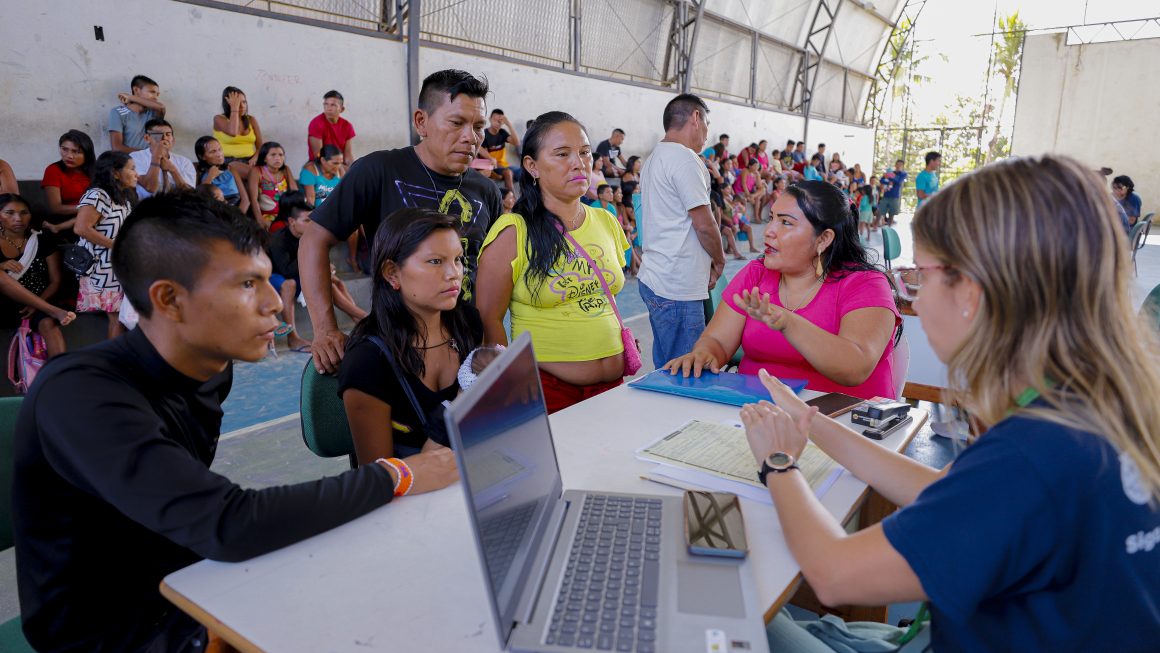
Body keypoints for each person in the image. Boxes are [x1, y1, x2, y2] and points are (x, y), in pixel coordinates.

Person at [11, 190, 457, 653]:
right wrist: (399, 474)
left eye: (266, 280)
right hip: (112, 632)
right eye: (246, 285)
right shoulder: (82, 394)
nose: (271, 303)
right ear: (170, 299)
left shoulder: (211, 369)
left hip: (195, 581)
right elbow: (228, 523)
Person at [750, 155, 1160, 652]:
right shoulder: (1097, 408)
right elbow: (947, 490)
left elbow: (835, 576)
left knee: (747, 615)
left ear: (971, 291)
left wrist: (779, 465)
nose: (915, 302)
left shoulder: (1036, 453)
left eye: (920, 277)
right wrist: (812, 423)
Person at [302, 69, 502, 374]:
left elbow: (491, 272)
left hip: (467, 349)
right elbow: (314, 238)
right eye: (457, 122)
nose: (470, 137)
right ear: (421, 122)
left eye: (478, 126)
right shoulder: (379, 170)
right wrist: (324, 328)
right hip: (397, 349)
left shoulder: (486, 190)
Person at [663, 180, 899, 400]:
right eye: (772, 219)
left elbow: (855, 367)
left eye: (785, 222)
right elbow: (717, 340)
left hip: (845, 424)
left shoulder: (865, 284)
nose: (769, 231)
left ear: (823, 239)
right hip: (757, 415)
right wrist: (704, 354)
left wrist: (788, 322)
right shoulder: (756, 274)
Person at [476, 111, 632, 413]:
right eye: (562, 154)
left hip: (614, 386)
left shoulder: (606, 220)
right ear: (532, 166)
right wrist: (510, 386)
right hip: (548, 393)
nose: (579, 163)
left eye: (585, 153)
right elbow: (489, 321)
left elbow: (602, 292)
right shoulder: (514, 232)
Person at [340, 207, 482, 461]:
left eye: (458, 259)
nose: (454, 273)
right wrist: (459, 406)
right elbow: (380, 479)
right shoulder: (367, 362)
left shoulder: (467, 323)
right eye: (436, 261)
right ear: (392, 273)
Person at [637, 93, 724, 367]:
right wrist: (719, 259)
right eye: (707, 125)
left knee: (668, 363)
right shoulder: (685, 159)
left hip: (658, 274)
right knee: (686, 370)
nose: (707, 135)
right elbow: (704, 223)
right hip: (677, 283)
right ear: (696, 118)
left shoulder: (654, 158)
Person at [0, 193, 77, 357]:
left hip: (40, 300)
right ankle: (53, 311)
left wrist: (37, 304)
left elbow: (56, 281)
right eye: (10, 213)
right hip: (4, 305)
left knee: (48, 323)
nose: (18, 218)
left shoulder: (41, 239)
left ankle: (60, 373)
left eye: (23, 213)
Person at [75, 151, 138, 340]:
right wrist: (117, 246)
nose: (137, 174)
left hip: (116, 265)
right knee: (117, 317)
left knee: (122, 316)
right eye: (132, 169)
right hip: (101, 267)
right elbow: (81, 228)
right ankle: (113, 364)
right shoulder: (97, 195)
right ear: (115, 173)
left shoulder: (122, 196)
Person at [40, 130, 96, 239]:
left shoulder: (96, 171)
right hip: (65, 223)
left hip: (94, 218)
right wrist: (86, 208)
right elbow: (56, 208)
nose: (69, 156)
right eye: (64, 149)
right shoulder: (53, 170)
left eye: (76, 151)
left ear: (87, 154)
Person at [130, 119, 195, 198]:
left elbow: (190, 194)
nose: (164, 138)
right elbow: (149, 187)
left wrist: (173, 170)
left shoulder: (184, 162)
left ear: (173, 140)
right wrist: (156, 157)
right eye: (158, 135)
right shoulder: (135, 158)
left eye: (168, 135)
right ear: (147, 138)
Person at [213, 86, 264, 178]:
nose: (242, 106)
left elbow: (260, 146)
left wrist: (255, 158)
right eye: (237, 103)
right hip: (228, 161)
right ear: (228, 104)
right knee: (254, 174)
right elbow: (233, 132)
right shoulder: (219, 119)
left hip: (250, 160)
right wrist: (234, 108)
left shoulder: (251, 120)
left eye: (244, 102)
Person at [108, 74, 166, 153]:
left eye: (157, 94)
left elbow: (161, 107)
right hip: (127, 161)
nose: (155, 97)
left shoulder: (153, 112)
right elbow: (117, 147)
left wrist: (130, 97)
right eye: (152, 92)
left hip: (151, 161)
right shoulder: (118, 112)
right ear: (136, 90)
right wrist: (143, 155)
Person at [246, 141, 297, 230]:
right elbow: (253, 199)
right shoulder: (257, 171)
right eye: (273, 155)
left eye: (281, 155)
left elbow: (294, 193)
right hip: (266, 217)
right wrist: (260, 220)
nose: (278, 158)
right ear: (264, 158)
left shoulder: (285, 170)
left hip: (286, 216)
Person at [194, 135, 250, 212]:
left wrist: (237, 219)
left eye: (220, 149)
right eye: (213, 151)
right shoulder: (199, 173)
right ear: (202, 156)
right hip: (216, 215)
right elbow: (200, 199)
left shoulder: (230, 169)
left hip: (237, 213)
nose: (219, 154)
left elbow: (245, 201)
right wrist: (210, 176)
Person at [307, 89, 356, 163]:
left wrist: (352, 169)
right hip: (320, 164)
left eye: (333, 105)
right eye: (326, 104)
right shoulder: (316, 123)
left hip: (339, 164)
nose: (328, 108)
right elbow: (318, 155)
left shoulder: (347, 126)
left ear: (342, 109)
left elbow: (348, 155)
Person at [482, 108, 520, 192]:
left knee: (524, 172)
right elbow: (481, 152)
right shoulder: (484, 134)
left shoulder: (502, 133)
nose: (497, 123)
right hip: (493, 166)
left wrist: (509, 124)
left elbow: (517, 143)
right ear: (490, 119)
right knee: (508, 173)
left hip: (504, 165)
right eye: (494, 120)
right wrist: (492, 159)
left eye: (500, 121)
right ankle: (511, 199)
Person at [879, 159, 907, 225]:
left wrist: (889, 177)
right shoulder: (890, 172)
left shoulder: (903, 174)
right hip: (886, 195)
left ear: (903, 166)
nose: (899, 166)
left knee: (892, 213)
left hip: (894, 196)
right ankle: (878, 225)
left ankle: (890, 227)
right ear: (895, 165)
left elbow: (898, 182)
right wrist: (889, 179)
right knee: (880, 212)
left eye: (901, 165)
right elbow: (881, 180)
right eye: (898, 164)